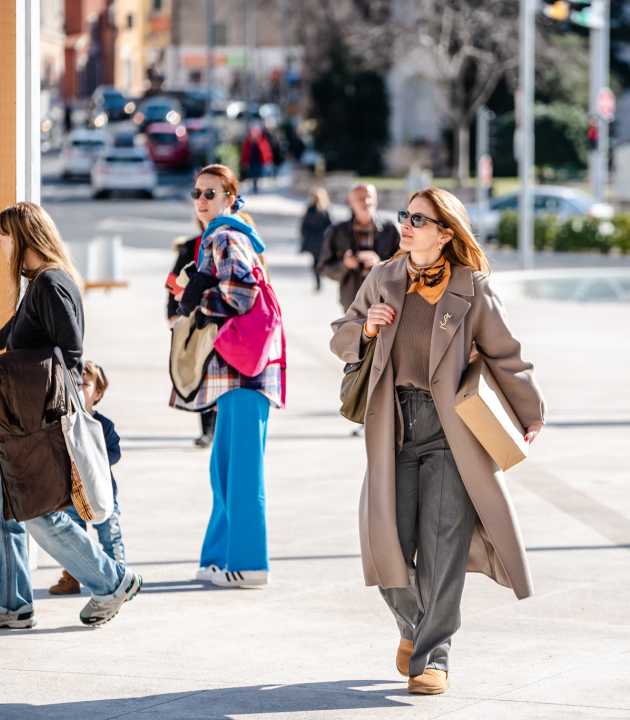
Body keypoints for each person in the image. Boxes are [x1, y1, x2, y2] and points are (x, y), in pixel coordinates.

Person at [329, 187, 546, 695]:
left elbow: (506, 357)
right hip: (393, 426)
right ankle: (414, 626)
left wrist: (531, 413)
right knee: (385, 542)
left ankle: (434, 656)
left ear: (446, 234)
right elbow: (341, 334)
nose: (405, 225)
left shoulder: (473, 288)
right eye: (405, 215)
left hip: (452, 431)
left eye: (418, 220)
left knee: (443, 546)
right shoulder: (383, 278)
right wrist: (366, 329)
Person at [0, 202, 141, 629]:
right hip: (26, 424)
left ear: (22, 238)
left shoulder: (51, 283)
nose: (1, 246)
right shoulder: (41, 284)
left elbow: (69, 352)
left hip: (41, 424)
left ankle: (112, 581)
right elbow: (26, 324)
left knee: (38, 514)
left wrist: (9, 364)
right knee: (1, 510)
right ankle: (11, 605)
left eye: (4, 237)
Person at [172, 164, 283, 588]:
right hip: (239, 372)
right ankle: (218, 557)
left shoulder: (225, 236)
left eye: (211, 193)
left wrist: (198, 300)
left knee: (240, 474)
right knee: (225, 470)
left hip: (245, 373)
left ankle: (249, 565)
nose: (201, 200)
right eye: (197, 192)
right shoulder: (224, 235)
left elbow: (242, 295)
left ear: (231, 199)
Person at [50, 361, 127, 595]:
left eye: (85, 384)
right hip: (73, 493)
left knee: (110, 536)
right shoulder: (66, 422)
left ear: (98, 393)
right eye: (75, 384)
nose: (79, 388)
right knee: (73, 538)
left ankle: (120, 576)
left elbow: (115, 452)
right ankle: (71, 578)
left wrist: (96, 459)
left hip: (102, 491)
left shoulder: (104, 425)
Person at [166, 219, 217, 447]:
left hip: (220, 320)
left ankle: (219, 428)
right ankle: (207, 431)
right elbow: (172, 283)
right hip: (194, 320)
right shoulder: (190, 246)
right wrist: (172, 314)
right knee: (200, 370)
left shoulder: (233, 245)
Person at [317, 182, 400, 312]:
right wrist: (345, 264)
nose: (366, 202)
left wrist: (380, 263)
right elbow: (324, 268)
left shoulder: (391, 229)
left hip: (385, 302)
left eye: (370, 197)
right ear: (350, 202)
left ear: (376, 199)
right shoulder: (338, 231)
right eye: (361, 198)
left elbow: (405, 265)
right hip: (352, 302)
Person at [300, 187, 332, 291]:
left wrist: (304, 237)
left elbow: (304, 225)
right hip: (321, 240)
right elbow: (330, 226)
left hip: (312, 240)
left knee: (315, 261)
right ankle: (320, 276)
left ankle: (318, 279)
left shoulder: (311, 210)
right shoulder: (324, 211)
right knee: (320, 260)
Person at [240, 126, 273, 193]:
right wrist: (244, 162)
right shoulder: (248, 142)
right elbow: (245, 152)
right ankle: (253, 186)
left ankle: (256, 186)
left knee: (257, 174)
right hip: (251, 162)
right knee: (251, 174)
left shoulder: (262, 141)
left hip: (258, 161)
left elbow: (266, 151)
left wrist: (267, 160)